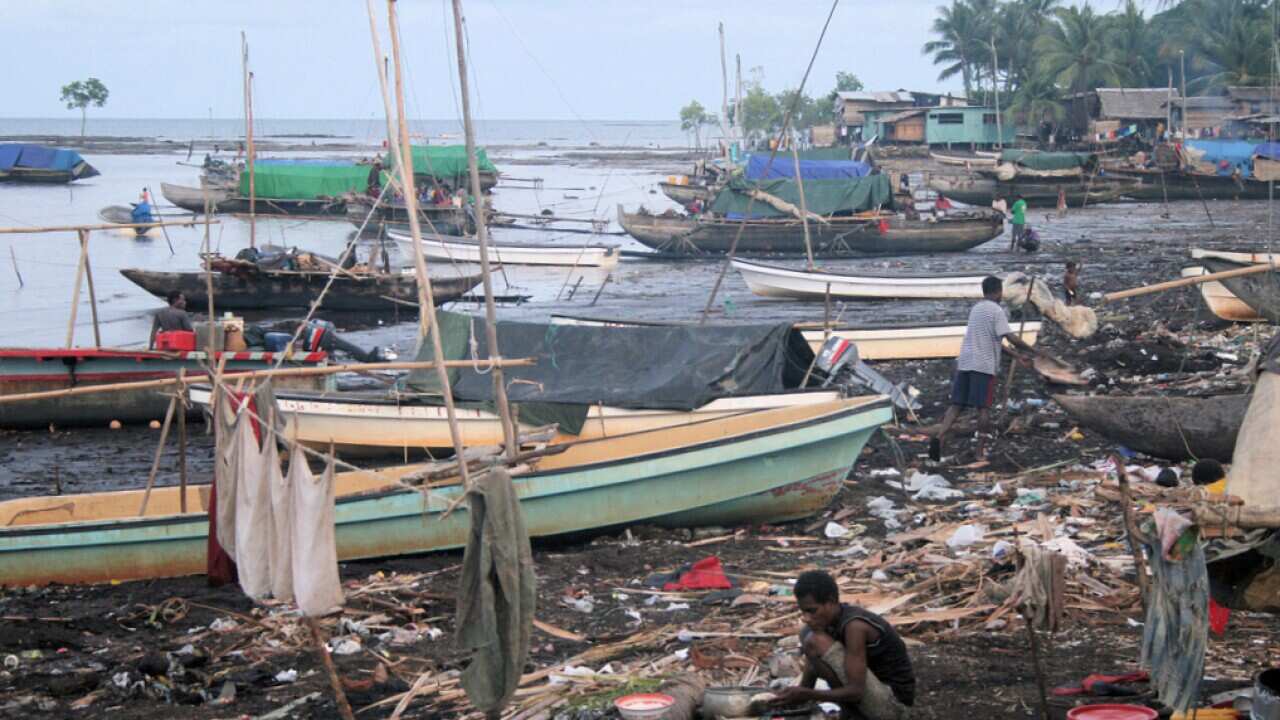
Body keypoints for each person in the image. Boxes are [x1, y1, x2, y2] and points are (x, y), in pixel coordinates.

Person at [772, 570, 915, 720]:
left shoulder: (854, 626)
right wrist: (799, 693)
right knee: (807, 634)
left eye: (812, 611)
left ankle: (854, 714)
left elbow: (856, 691)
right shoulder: (828, 621)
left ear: (831, 600)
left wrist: (809, 694)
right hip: (869, 697)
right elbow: (813, 666)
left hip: (893, 707)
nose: (806, 618)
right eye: (803, 612)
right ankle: (850, 713)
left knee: (815, 640)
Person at [930, 276, 1037, 461]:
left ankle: (938, 440)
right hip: (983, 365)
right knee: (984, 409)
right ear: (998, 292)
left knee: (957, 405)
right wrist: (1033, 349)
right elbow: (1011, 338)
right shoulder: (996, 310)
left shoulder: (976, 309)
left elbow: (996, 341)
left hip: (965, 362)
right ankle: (980, 451)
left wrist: (1017, 356)